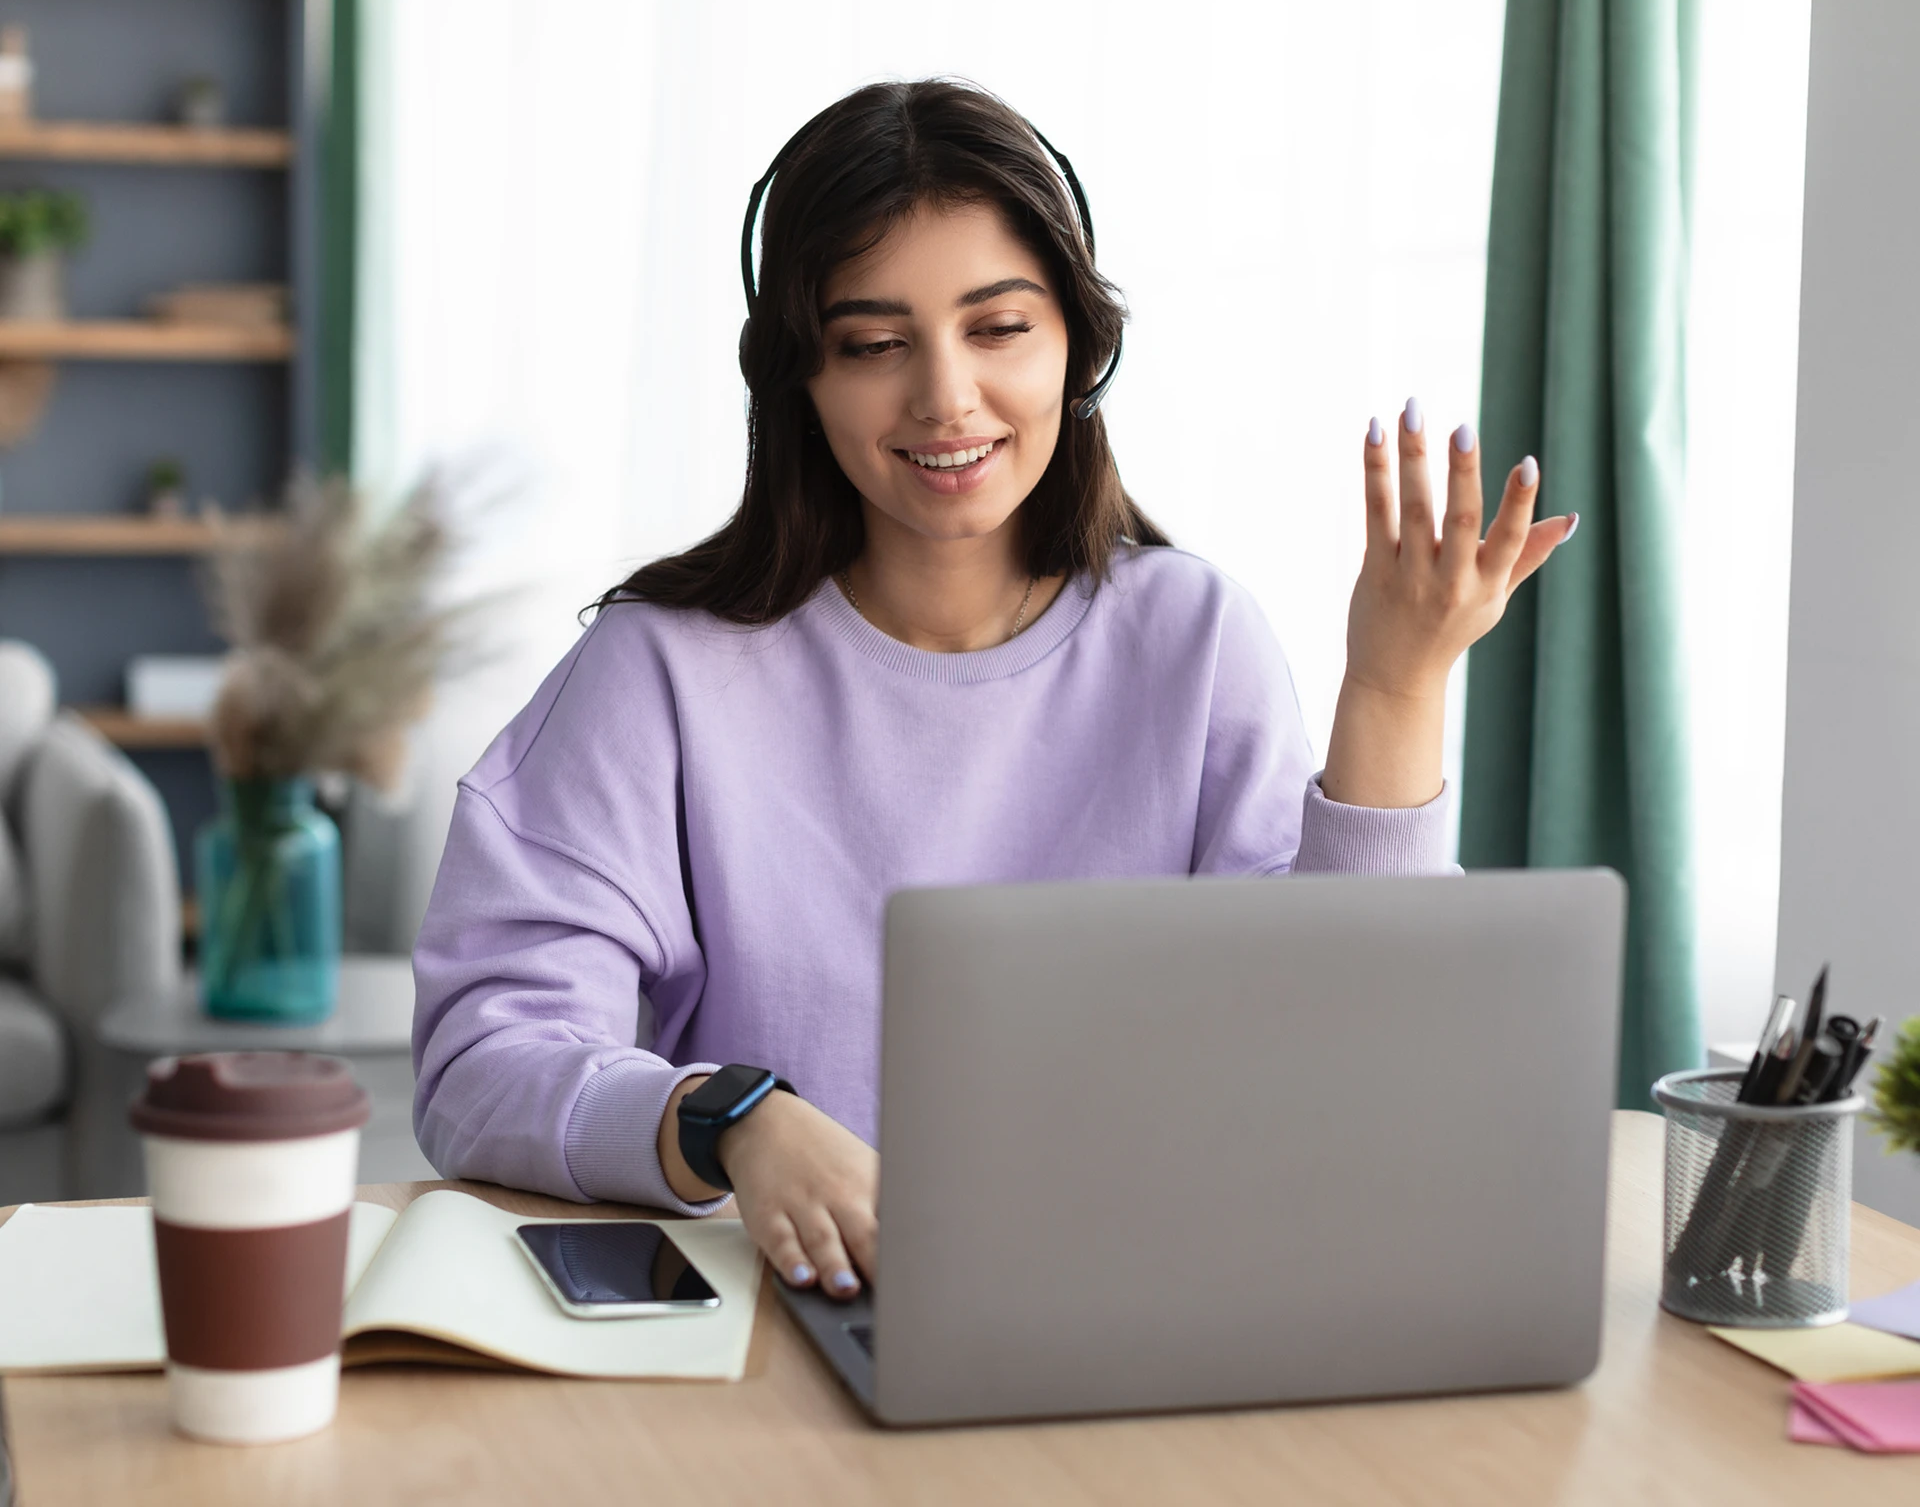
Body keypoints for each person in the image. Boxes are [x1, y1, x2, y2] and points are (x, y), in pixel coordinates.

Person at [411, 78, 1574, 1303]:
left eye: (998, 327)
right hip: (778, 1338)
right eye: (873, 344)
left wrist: (1396, 685)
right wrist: (727, 1118)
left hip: (1146, 1310)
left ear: (1079, 341)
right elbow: (483, 1067)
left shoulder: (1192, 637)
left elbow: (1346, 1057)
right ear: (801, 377)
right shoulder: (661, 672)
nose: (945, 398)